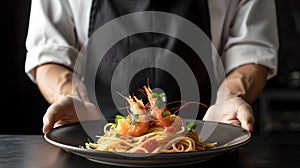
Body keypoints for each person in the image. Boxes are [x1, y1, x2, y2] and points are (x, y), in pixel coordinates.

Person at [25, 0, 278, 134]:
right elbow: (49, 50)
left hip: (206, 141)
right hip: (93, 142)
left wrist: (230, 98)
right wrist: (73, 98)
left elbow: (251, 48)